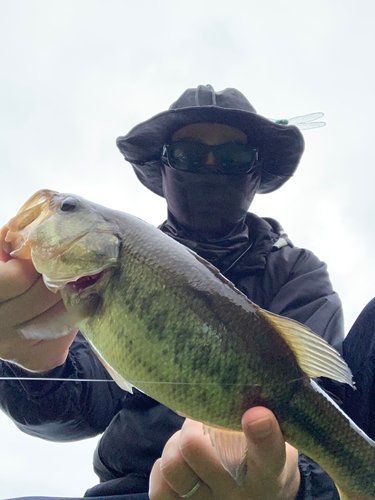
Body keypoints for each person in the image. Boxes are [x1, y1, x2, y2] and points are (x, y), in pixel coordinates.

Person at [0, 85, 344, 500]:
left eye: (234, 158)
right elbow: (75, 410)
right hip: (130, 490)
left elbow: (328, 404)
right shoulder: (109, 273)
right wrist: (31, 363)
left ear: (255, 172)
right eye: (190, 155)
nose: (211, 168)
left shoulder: (295, 270)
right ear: (163, 167)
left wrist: (292, 484)